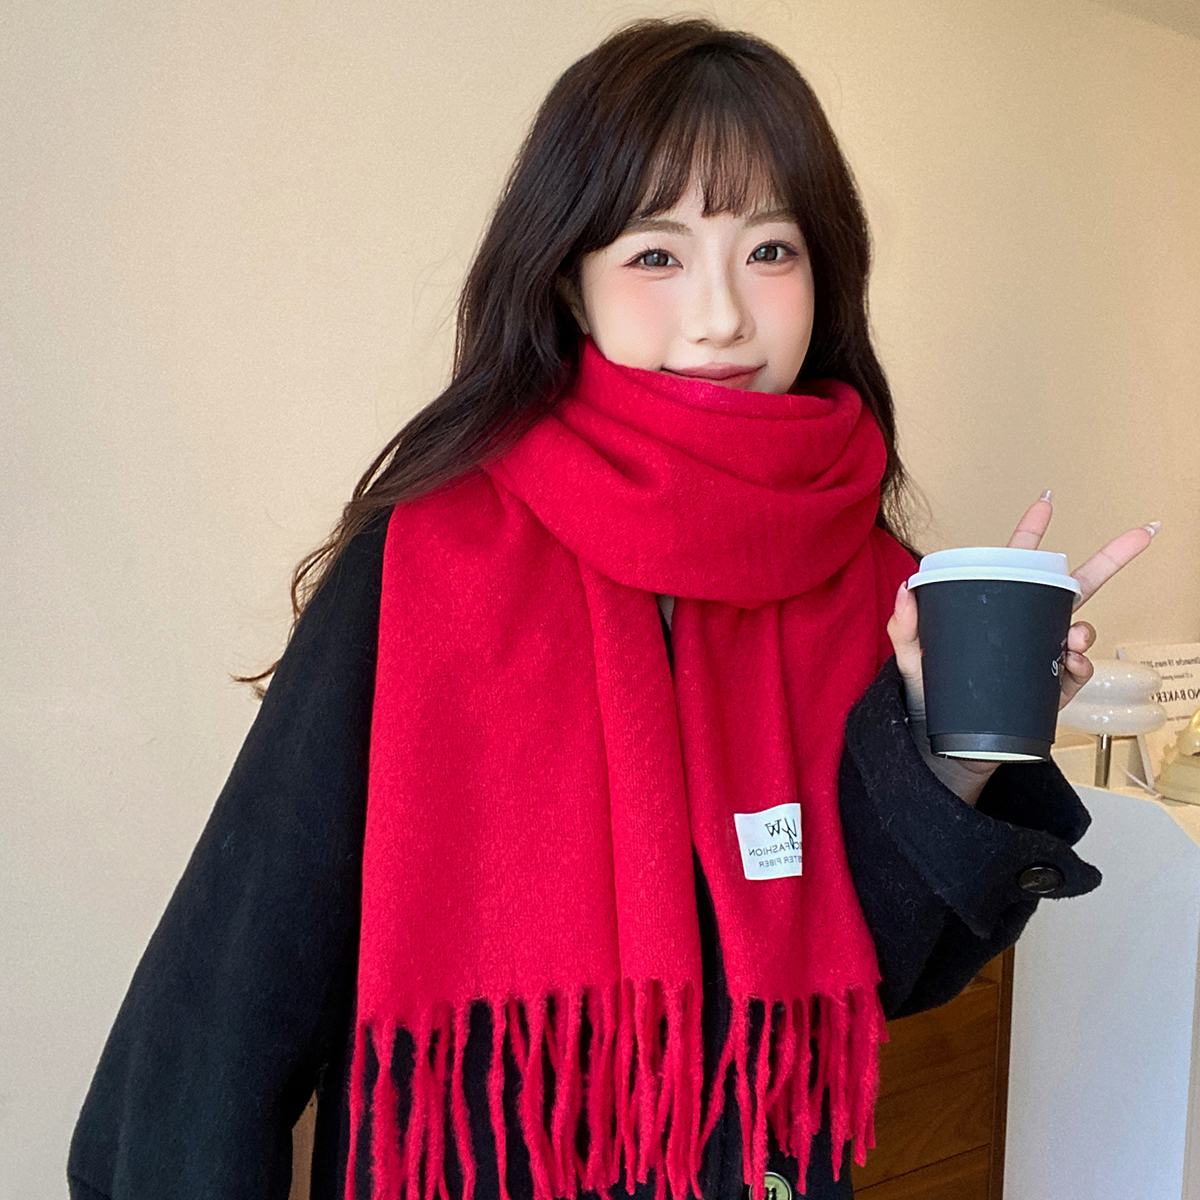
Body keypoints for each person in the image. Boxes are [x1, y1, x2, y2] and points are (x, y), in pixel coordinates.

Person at [67, 17, 1156, 1200]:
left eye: (770, 250)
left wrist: (950, 754)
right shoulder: (427, 560)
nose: (721, 315)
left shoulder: (875, 584)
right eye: (655, 256)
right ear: (570, 286)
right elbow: (223, 1008)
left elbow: (883, 980)